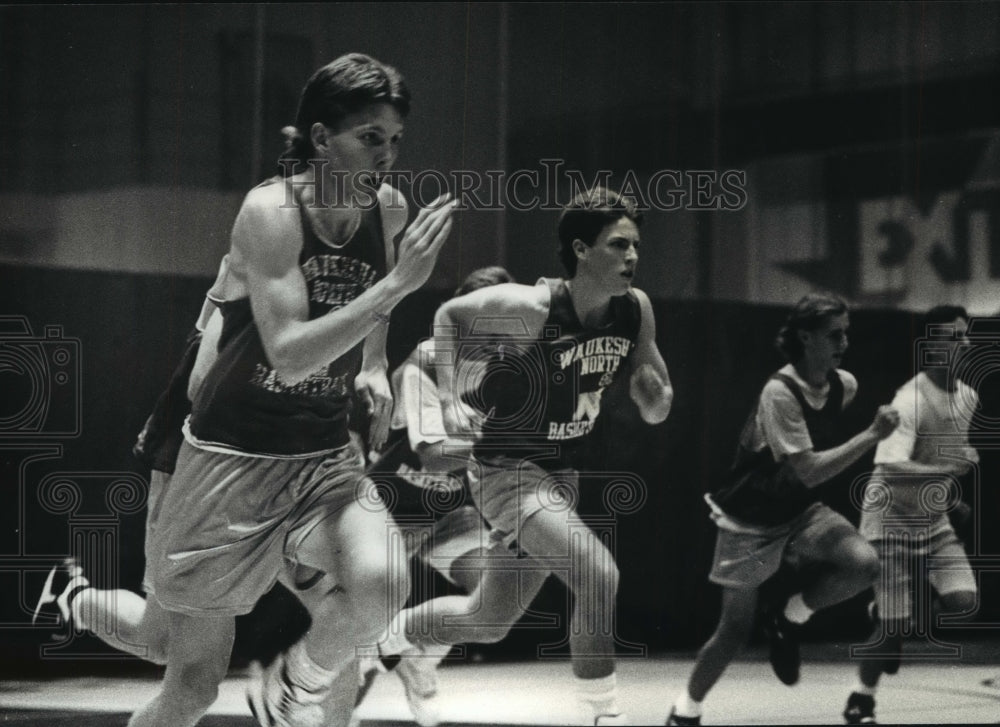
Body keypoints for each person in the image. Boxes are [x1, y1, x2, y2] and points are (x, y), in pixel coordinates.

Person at [124, 52, 454, 727]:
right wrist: (400, 285)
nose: (388, 155)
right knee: (190, 682)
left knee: (384, 581)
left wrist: (373, 362)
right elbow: (292, 353)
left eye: (395, 140)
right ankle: (72, 598)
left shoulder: (387, 209)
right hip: (228, 457)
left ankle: (292, 689)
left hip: (318, 452)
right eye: (371, 137)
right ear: (321, 138)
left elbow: (370, 301)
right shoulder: (271, 211)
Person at [415, 186, 673, 726]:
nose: (632, 256)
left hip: (560, 474)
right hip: (506, 470)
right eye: (618, 245)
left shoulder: (636, 310)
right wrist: (448, 395)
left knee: (490, 619)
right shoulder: (532, 306)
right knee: (598, 575)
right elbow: (448, 315)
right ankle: (602, 716)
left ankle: (393, 638)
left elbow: (656, 407)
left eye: (636, 246)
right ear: (581, 250)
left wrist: (654, 398)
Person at [666, 292, 901, 727]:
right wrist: (871, 436)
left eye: (846, 333)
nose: (844, 342)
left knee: (864, 564)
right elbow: (808, 470)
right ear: (805, 337)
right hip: (750, 521)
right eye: (834, 335)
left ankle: (788, 618)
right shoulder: (780, 392)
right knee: (734, 631)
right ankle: (685, 711)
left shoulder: (843, 385)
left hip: (800, 512)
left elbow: (807, 477)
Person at [356, 266, 552, 727]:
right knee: (360, 632)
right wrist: (506, 447)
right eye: (487, 325)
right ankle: (340, 701)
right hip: (389, 507)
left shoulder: (515, 370)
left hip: (451, 510)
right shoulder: (424, 364)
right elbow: (435, 457)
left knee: (489, 597)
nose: (500, 338)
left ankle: (418, 659)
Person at [843, 305, 979, 725]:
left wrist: (949, 501)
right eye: (954, 337)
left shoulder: (968, 396)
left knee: (963, 600)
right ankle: (861, 700)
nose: (965, 344)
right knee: (892, 628)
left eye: (965, 335)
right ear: (932, 346)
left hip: (931, 518)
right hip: (888, 518)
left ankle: (896, 617)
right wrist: (949, 471)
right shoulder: (910, 400)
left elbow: (937, 458)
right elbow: (890, 466)